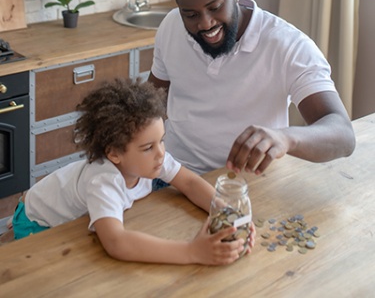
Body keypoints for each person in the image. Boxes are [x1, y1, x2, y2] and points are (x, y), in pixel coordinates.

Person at [148, 0, 356, 176]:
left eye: (215, 7)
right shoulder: (171, 25)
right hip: (173, 174)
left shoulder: (288, 46)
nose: (205, 23)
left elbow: (343, 134)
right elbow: (151, 100)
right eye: (190, 14)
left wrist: (285, 138)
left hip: (247, 182)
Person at [11, 78, 255, 265]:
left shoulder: (155, 158)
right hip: (38, 221)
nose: (161, 153)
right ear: (114, 153)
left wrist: (228, 214)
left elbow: (189, 184)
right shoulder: (103, 181)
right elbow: (116, 242)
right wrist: (192, 252)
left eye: (162, 140)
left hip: (69, 205)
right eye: (148, 147)